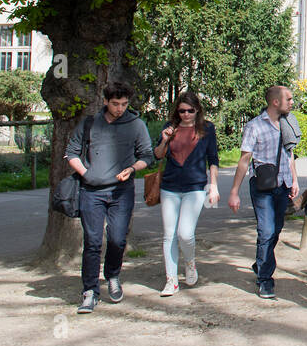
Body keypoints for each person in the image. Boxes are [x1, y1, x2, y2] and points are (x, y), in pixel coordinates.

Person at [65, 81, 155, 314]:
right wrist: (87, 173)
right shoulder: (90, 124)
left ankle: (113, 275)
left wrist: (133, 168)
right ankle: (90, 291)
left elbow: (147, 155)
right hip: (91, 191)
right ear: (105, 101)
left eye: (124, 104)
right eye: (115, 104)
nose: (119, 108)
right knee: (92, 242)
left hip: (121, 191)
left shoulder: (136, 124)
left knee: (117, 239)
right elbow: (72, 153)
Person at [227, 85, 299, 299]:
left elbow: (290, 155)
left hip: (283, 185)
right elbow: (244, 160)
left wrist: (294, 180)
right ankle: (265, 279)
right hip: (262, 186)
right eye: (289, 99)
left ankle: (261, 264)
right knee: (266, 231)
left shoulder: (288, 123)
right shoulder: (254, 126)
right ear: (275, 102)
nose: (292, 102)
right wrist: (234, 192)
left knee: (275, 230)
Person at [154, 91, 220, 296]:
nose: (186, 114)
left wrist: (214, 186)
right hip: (169, 187)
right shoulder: (169, 128)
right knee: (169, 235)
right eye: (182, 111)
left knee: (185, 233)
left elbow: (213, 159)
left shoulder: (207, 129)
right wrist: (165, 140)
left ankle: (190, 262)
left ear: (197, 109)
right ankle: (171, 280)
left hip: (195, 187)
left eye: (190, 110)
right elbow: (157, 155)